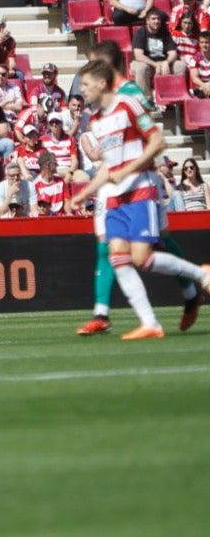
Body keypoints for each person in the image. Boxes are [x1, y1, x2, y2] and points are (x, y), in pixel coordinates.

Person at [67, 57, 210, 340]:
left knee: (141, 259)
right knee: (119, 259)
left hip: (140, 190)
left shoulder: (127, 104)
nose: (81, 90)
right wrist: (83, 194)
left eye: (85, 84)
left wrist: (128, 169)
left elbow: (158, 141)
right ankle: (150, 323)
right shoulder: (95, 121)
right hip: (114, 200)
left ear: (101, 83)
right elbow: (109, 165)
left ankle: (201, 273)